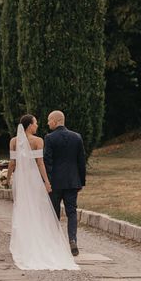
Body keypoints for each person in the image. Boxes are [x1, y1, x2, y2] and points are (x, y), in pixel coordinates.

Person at [7, 114, 79, 271]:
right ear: (29, 125)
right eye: (36, 123)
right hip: (33, 180)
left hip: (20, 179)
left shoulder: (13, 141)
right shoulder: (38, 140)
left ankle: (24, 243)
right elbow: (40, 163)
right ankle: (42, 241)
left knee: (22, 208)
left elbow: (12, 163)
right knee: (38, 210)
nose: (37, 125)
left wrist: (7, 178)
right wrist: (46, 182)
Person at [44, 110, 86, 257]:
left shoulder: (49, 138)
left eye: (49, 120)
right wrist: (81, 181)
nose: (48, 123)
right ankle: (72, 240)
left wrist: (47, 181)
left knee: (53, 212)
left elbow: (47, 162)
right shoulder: (77, 137)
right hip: (72, 181)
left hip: (55, 183)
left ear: (55, 121)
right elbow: (81, 162)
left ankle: (55, 243)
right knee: (72, 212)